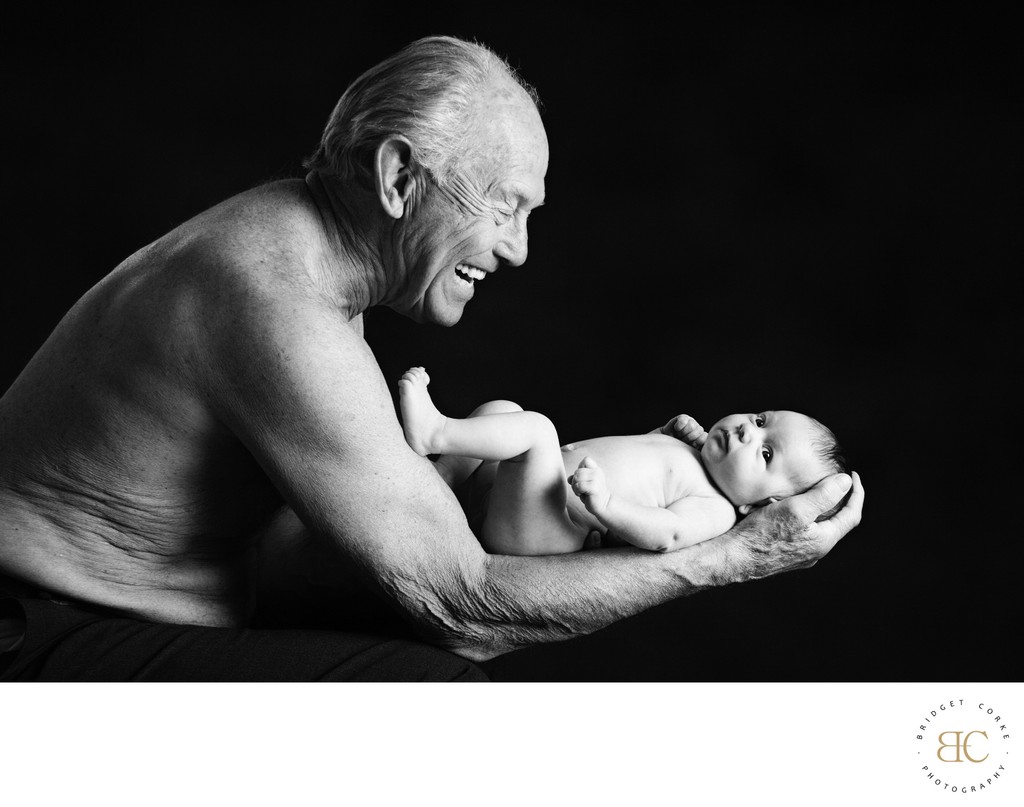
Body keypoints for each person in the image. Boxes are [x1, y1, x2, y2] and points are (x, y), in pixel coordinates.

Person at [0, 35, 863, 682]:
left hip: (127, 612)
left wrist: (449, 502)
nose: (519, 250)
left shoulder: (297, 257)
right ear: (399, 178)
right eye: (504, 208)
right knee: (436, 692)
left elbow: (311, 553)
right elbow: (465, 609)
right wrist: (732, 556)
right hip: (35, 633)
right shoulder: (274, 304)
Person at [398, 366, 849, 556]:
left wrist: (608, 506)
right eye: (760, 418)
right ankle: (440, 477)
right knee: (505, 410)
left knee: (535, 430)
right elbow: (634, 456)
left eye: (766, 453)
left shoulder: (715, 509)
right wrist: (663, 435)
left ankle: (434, 431)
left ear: (760, 505)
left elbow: (665, 535)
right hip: (511, 495)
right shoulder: (690, 452)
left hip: (540, 531)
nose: (750, 431)